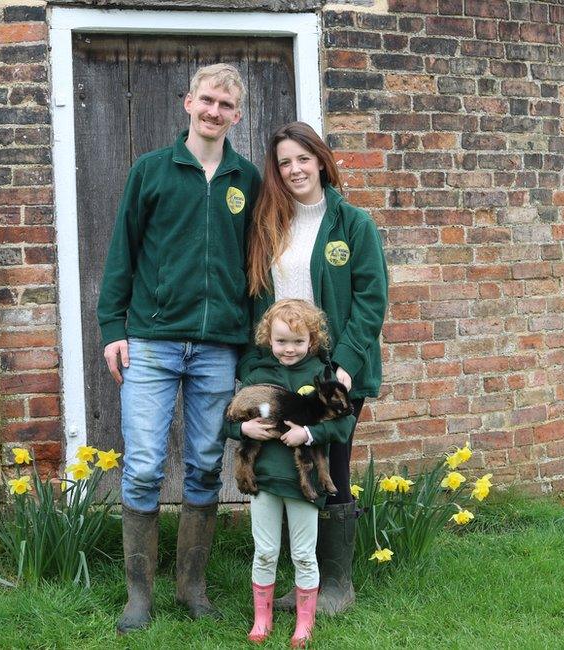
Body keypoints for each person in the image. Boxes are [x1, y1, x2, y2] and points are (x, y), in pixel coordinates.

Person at [97, 63, 261, 634]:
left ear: (236, 116)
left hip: (218, 347)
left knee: (203, 465)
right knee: (142, 467)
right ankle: (138, 595)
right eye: (207, 100)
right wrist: (112, 327)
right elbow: (123, 251)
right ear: (187, 102)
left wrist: (254, 343)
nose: (214, 112)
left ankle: (192, 587)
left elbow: (256, 265)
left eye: (226, 106)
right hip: (152, 340)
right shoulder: (152, 171)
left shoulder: (248, 179)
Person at [241, 121, 388, 615]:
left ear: (321, 161)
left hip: (334, 370)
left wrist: (344, 365)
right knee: (281, 460)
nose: (295, 169)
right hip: (281, 367)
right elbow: (256, 297)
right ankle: (304, 578)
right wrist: (255, 363)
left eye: (303, 158)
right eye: (284, 162)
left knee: (332, 463)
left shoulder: (353, 224)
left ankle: (336, 586)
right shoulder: (268, 225)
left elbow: (371, 299)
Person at [223, 299, 355, 646]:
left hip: (305, 485)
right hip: (265, 480)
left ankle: (304, 622)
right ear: (268, 339)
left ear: (312, 341)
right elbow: (231, 422)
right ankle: (262, 618)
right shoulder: (257, 376)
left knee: (303, 554)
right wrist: (244, 431)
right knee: (265, 551)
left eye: (298, 342)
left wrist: (308, 434)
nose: (289, 349)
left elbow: (344, 426)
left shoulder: (325, 379)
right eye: (281, 341)